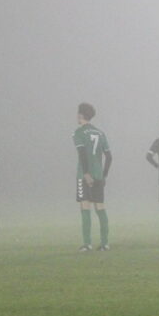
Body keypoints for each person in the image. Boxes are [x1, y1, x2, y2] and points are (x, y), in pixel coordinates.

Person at [73, 103, 112, 252]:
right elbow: (109, 156)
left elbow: (82, 153)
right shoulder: (100, 133)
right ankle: (105, 243)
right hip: (99, 175)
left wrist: (86, 173)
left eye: (78, 113)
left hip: (84, 175)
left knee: (85, 206)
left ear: (81, 115)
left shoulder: (79, 133)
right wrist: (104, 174)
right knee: (100, 207)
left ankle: (87, 244)